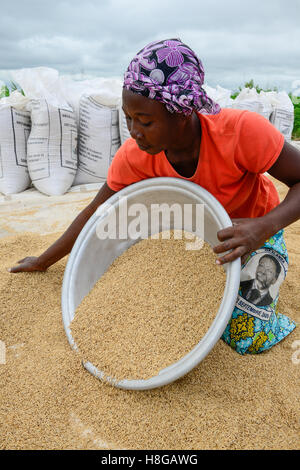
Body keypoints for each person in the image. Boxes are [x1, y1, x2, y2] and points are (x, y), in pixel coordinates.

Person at [9, 38, 299, 354]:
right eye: (128, 118)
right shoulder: (135, 155)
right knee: (167, 312)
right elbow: (97, 211)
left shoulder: (241, 132)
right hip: (192, 242)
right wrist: (43, 260)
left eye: (145, 121)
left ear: (182, 112)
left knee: (246, 335)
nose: (134, 131)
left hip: (252, 234)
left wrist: (264, 227)